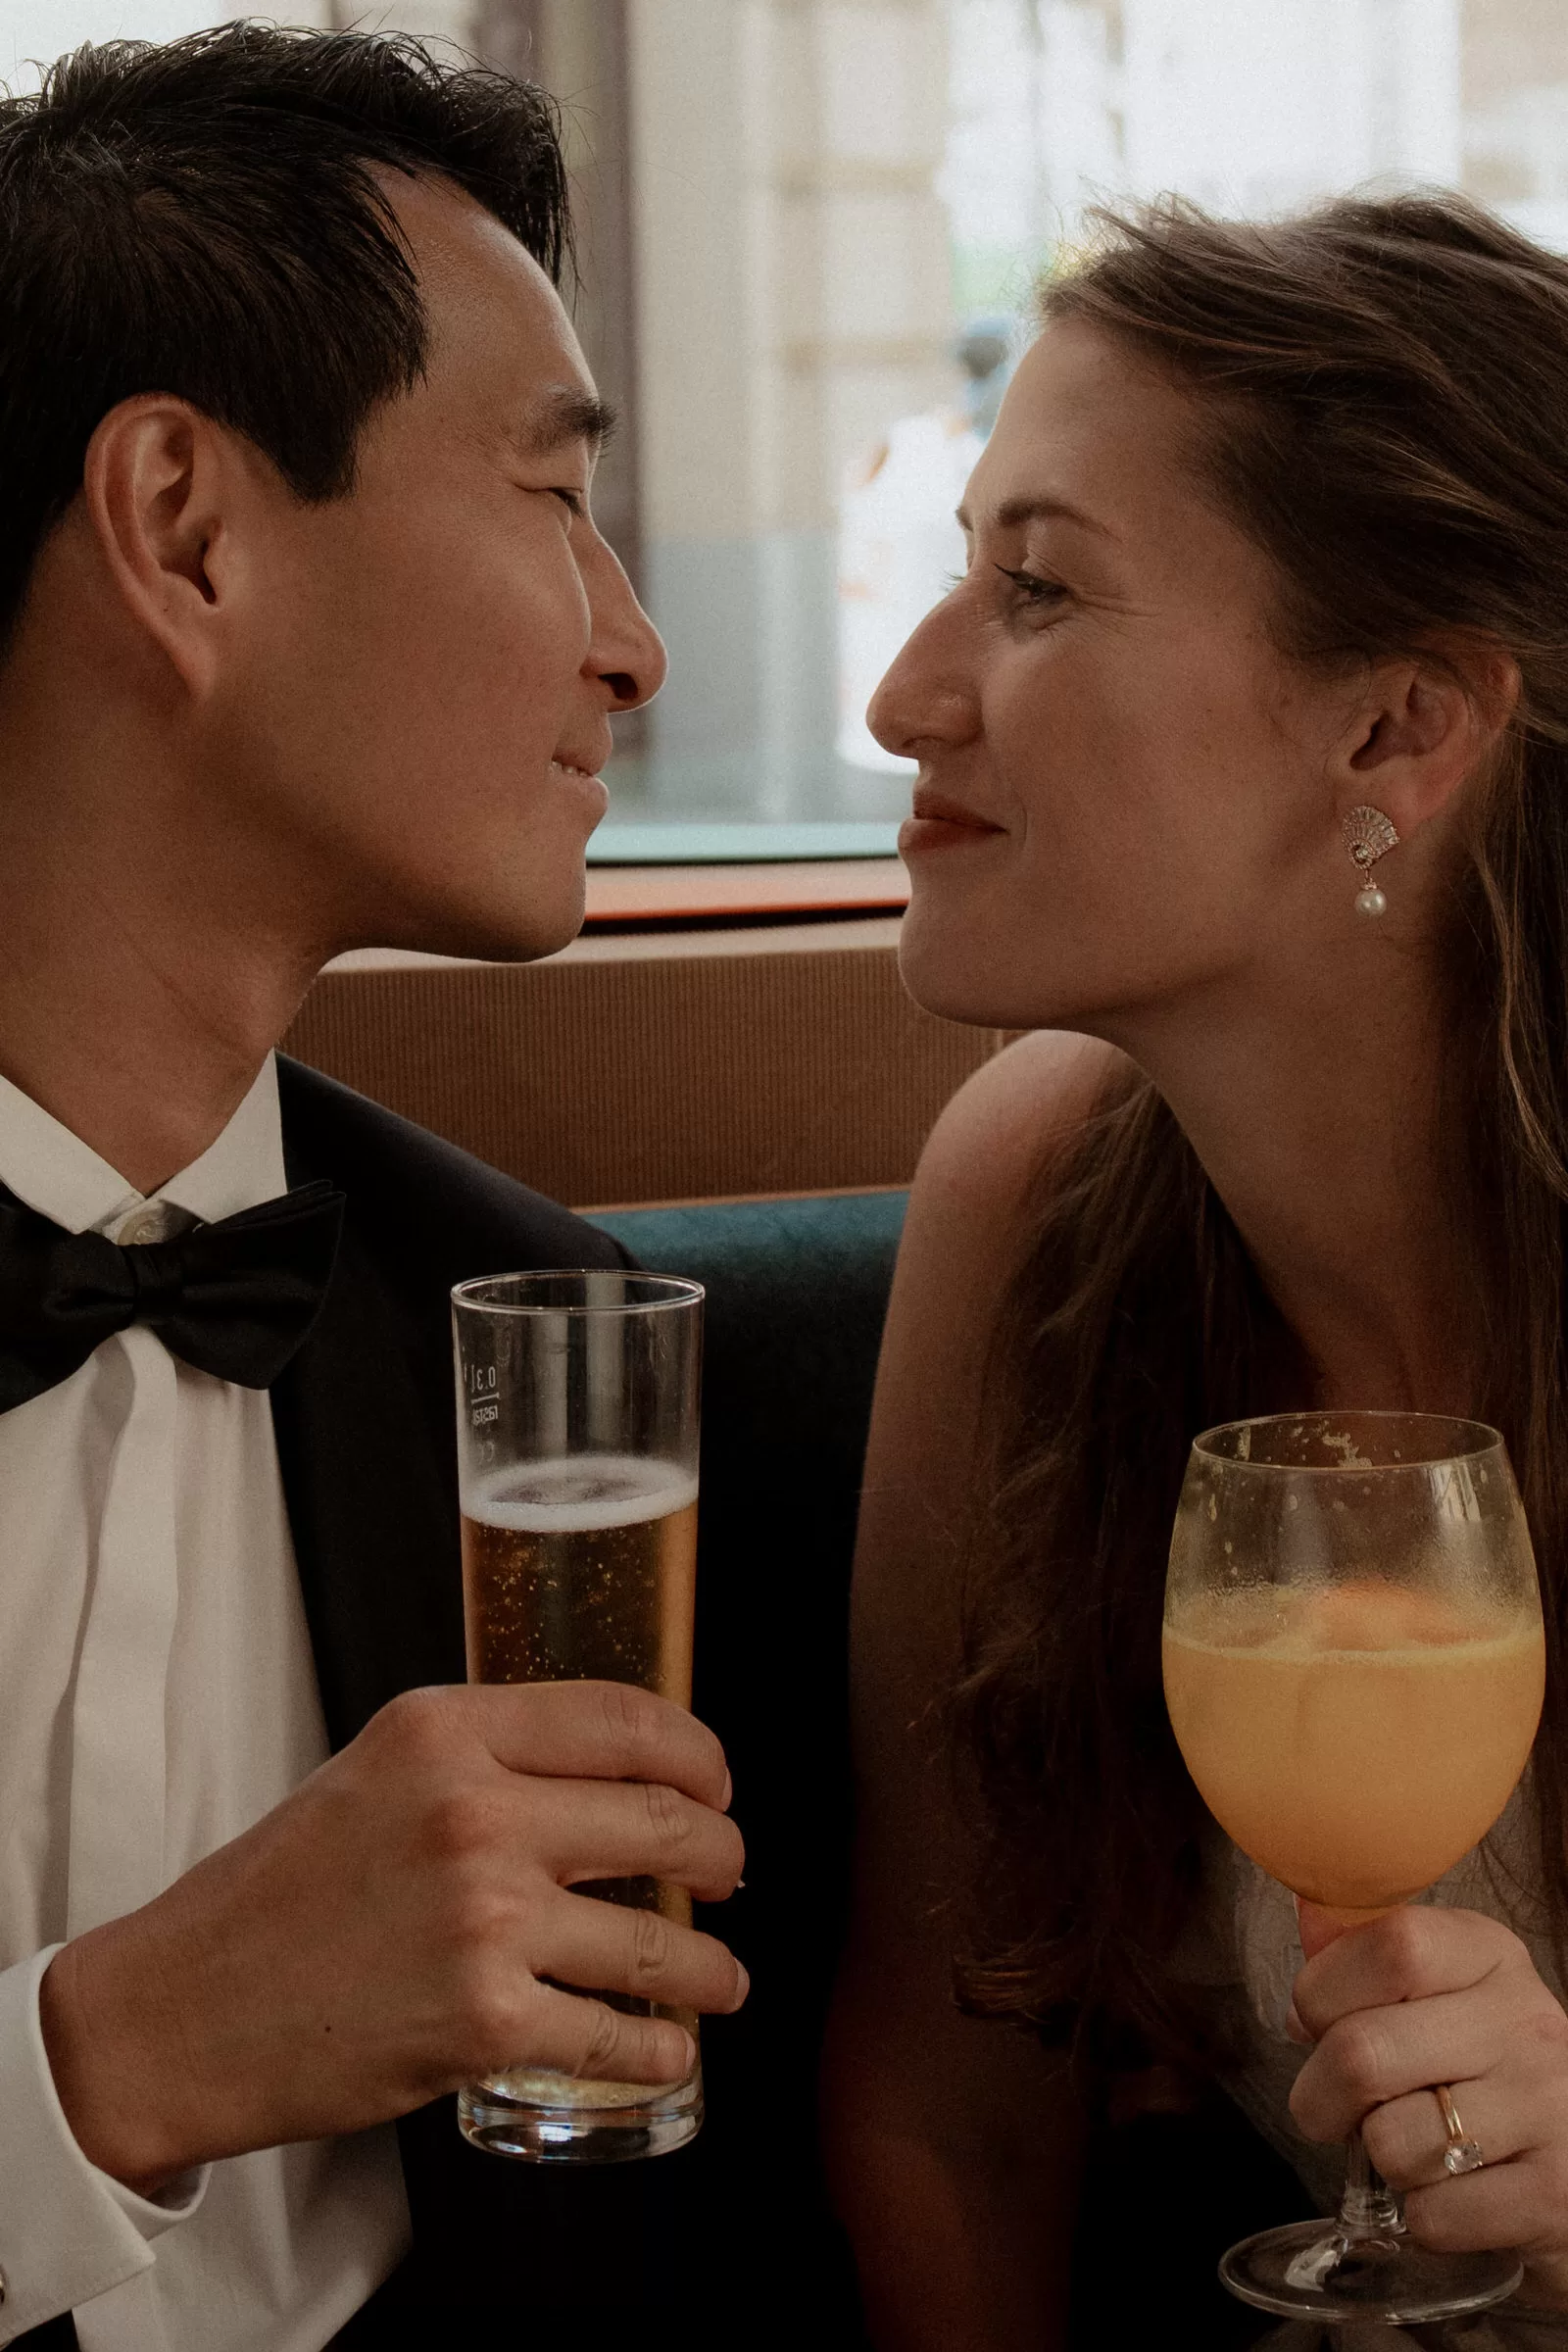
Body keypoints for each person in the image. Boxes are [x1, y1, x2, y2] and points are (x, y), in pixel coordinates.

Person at [0, 24, 750, 2349]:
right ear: (184, 530)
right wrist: (114, 2060)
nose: (629, 641)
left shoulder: (542, 1326)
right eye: (550, 496)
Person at [826, 191, 1568, 2347]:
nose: (898, 698)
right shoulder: (1033, 1199)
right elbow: (943, 2114)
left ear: (1391, 735)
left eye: (1035, 589)